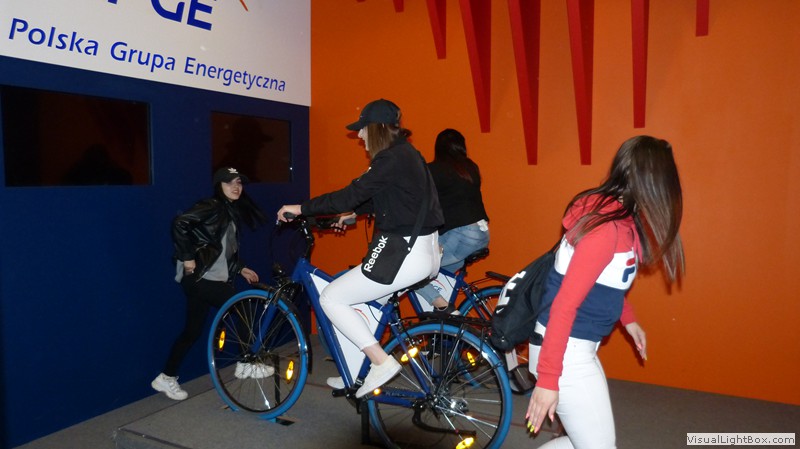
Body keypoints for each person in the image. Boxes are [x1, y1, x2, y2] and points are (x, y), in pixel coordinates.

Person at [277, 98, 444, 398]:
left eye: (363, 129)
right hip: (425, 250)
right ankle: (356, 371)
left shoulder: (389, 159)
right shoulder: (407, 155)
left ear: (376, 128)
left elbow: (349, 194)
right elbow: (390, 195)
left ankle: (380, 362)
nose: (359, 135)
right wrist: (356, 213)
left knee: (331, 298)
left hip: (403, 253)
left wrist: (300, 208)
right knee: (365, 306)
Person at [525, 135, 685, 448]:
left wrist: (629, 319)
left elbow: (605, 283)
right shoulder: (605, 230)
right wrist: (548, 379)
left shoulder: (620, 216)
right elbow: (564, 305)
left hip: (576, 348)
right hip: (565, 353)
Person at [151, 166, 267, 400]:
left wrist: (240, 268)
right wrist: (187, 257)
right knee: (241, 306)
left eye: (239, 183)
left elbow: (221, 251)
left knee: (192, 331)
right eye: (229, 182)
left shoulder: (229, 211)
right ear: (218, 186)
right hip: (200, 278)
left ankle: (165, 377)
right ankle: (246, 363)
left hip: (206, 278)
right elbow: (179, 223)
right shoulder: (212, 206)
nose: (235, 187)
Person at [413, 128, 490, 312]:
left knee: (411, 270)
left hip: (461, 235)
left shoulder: (434, 170)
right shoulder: (470, 167)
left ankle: (446, 309)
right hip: (482, 233)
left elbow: (422, 204)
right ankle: (442, 321)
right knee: (439, 276)